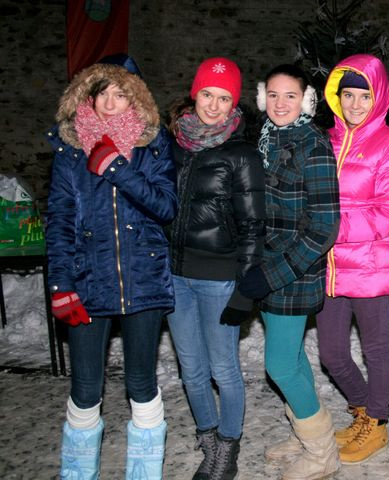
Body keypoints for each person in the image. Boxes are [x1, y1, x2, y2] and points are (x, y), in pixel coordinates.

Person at [46, 54, 176, 479]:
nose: (109, 102)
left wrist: (116, 167)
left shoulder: (153, 146)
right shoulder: (69, 151)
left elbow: (165, 207)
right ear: (87, 97)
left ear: (135, 98)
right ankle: (77, 473)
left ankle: (144, 473)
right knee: (85, 388)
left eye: (120, 94)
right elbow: (60, 221)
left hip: (144, 279)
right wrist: (60, 284)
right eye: (101, 93)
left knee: (141, 382)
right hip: (87, 281)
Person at [238, 64, 341, 480]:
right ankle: (306, 434)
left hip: (292, 274)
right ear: (263, 98)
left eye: (291, 96)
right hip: (266, 268)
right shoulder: (266, 139)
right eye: (274, 95)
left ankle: (322, 452)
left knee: (279, 366)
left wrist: (272, 274)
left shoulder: (313, 146)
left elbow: (324, 227)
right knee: (293, 358)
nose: (281, 104)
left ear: (306, 100)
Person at [165, 57, 266, 480]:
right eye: (207, 93)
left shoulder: (242, 154)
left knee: (223, 369)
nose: (213, 104)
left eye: (224, 98)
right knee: (191, 368)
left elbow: (254, 225)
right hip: (175, 277)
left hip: (219, 279)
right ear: (195, 94)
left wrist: (245, 289)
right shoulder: (174, 146)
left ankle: (228, 446)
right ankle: (208, 438)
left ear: (234, 104)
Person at [316, 54, 389, 464]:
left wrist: (331, 226)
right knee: (332, 354)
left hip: (370, 266)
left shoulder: (388, 144)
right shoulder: (327, 140)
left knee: (376, 350)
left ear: (379, 97)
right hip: (330, 269)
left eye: (364, 95)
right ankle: (363, 409)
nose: (355, 104)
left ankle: (378, 424)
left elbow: (388, 212)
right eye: (348, 95)